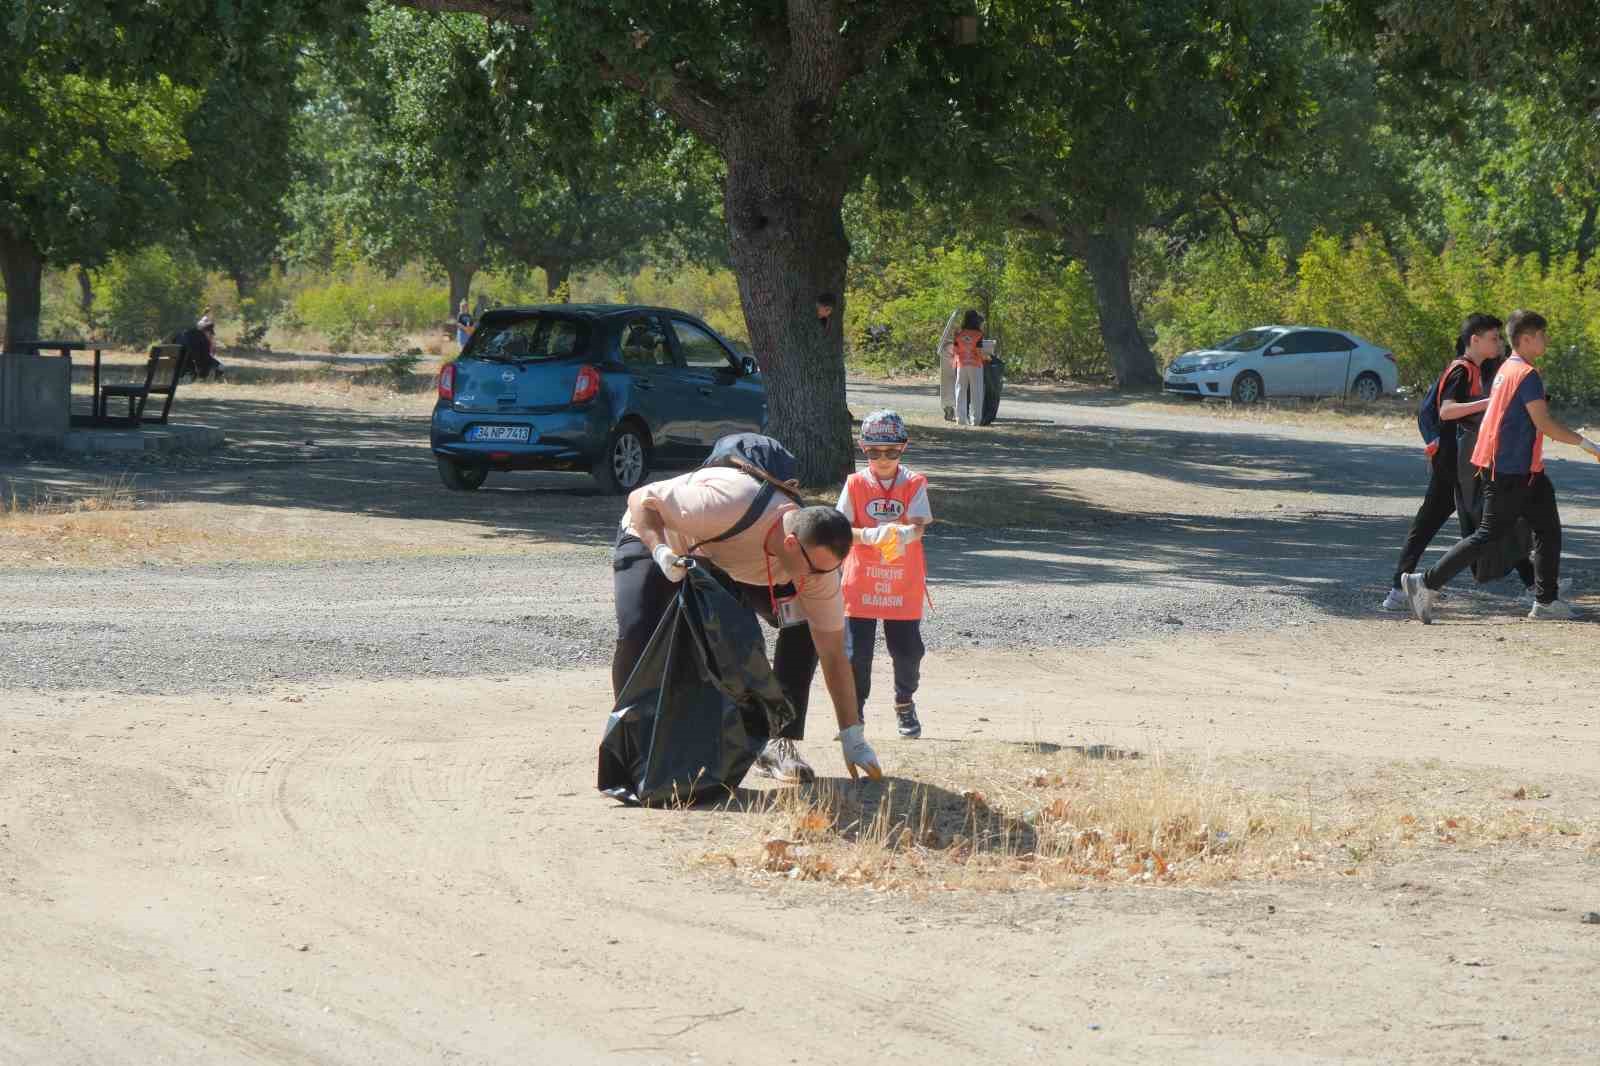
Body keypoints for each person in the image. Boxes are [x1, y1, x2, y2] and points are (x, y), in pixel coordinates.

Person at [613, 459, 883, 783]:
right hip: (657, 537)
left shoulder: (818, 569)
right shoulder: (726, 504)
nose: (818, 578)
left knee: (798, 630)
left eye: (828, 570)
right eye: (814, 569)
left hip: (727, 560)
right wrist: (660, 551)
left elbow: (834, 654)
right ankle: (634, 748)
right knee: (638, 632)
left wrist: (852, 735)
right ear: (791, 544)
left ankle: (778, 743)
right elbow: (641, 500)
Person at [1402, 309, 1600, 622]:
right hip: (1509, 470)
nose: (1547, 340)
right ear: (1526, 339)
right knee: (1488, 534)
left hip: (1525, 470)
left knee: (1547, 530)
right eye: (1542, 335)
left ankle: (1546, 601)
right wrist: (1588, 445)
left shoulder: (1508, 368)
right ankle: (1425, 583)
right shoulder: (1525, 374)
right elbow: (1544, 423)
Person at [1381, 313, 1518, 610]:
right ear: (1475, 340)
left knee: (1493, 520)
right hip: (1452, 463)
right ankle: (1399, 588)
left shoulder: (1475, 369)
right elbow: (1446, 411)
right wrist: (1491, 402)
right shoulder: (1462, 369)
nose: (1498, 343)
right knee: (1444, 523)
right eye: (1494, 338)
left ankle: (1539, 586)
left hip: (1464, 461)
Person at [835, 410, 931, 739]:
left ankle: (905, 702)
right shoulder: (854, 483)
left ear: (903, 448)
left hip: (902, 582)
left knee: (908, 651)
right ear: (864, 449)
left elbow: (918, 527)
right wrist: (867, 535)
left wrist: (902, 534)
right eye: (874, 452)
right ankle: (854, 715)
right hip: (861, 580)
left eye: (891, 451)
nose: (883, 459)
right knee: (855, 655)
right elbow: (840, 529)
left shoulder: (914, 482)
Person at [943, 309, 987, 426]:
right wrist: (986, 358)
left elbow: (955, 350)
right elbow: (978, 351)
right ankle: (976, 420)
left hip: (961, 365)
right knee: (976, 392)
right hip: (975, 366)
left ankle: (961, 419)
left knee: (960, 391)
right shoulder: (978, 334)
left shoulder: (959, 334)